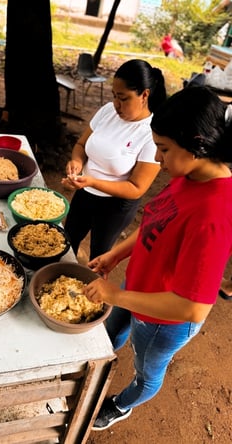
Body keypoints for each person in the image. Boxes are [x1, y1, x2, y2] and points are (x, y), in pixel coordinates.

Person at [83, 85, 232, 431]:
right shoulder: (191, 174)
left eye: (163, 150)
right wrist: (115, 255)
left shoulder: (214, 213)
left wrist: (115, 296)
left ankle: (122, 404)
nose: (158, 160)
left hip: (163, 320)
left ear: (197, 145)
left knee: (147, 369)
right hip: (137, 287)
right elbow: (156, 220)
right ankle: (103, 362)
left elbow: (192, 307)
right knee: (113, 329)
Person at [61, 59, 167, 260]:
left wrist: (92, 181)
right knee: (67, 241)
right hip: (85, 192)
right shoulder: (108, 111)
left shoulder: (151, 132)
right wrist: (77, 162)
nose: (116, 104)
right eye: (114, 96)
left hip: (115, 206)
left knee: (100, 256)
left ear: (144, 95)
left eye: (124, 98)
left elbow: (137, 188)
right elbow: (81, 145)